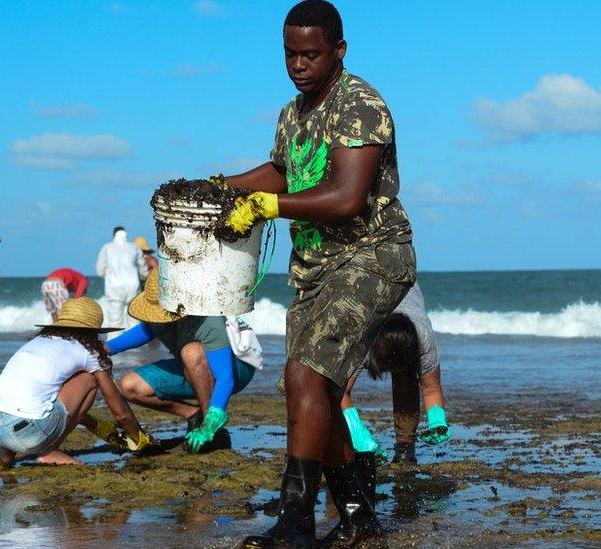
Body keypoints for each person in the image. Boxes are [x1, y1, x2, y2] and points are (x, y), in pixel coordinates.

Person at [218, 2, 417, 546]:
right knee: (318, 391)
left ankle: (296, 521)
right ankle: (357, 517)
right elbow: (280, 170)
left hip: (372, 257)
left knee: (304, 377)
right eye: (290, 54)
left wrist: (266, 206)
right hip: (315, 269)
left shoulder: (360, 104)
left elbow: (348, 197)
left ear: (339, 50)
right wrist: (221, 186)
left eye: (311, 54)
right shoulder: (293, 112)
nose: (299, 65)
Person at [0, 297, 156, 466]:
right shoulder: (89, 352)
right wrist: (137, 438)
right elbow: (120, 413)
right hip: (25, 432)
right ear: (94, 331)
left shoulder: (39, 341)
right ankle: (49, 451)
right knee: (90, 379)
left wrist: (94, 423)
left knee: (30, 394)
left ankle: (6, 455)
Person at [105, 271, 260, 453]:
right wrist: (106, 349)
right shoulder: (159, 314)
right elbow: (146, 331)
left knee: (191, 352)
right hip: (195, 367)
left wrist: (212, 422)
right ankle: (193, 415)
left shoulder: (209, 319)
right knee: (128, 386)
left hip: (237, 367)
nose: (158, 319)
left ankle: (213, 428)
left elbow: (225, 377)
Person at [341, 283, 450, 466]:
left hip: (405, 297)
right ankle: (345, 445)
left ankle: (405, 449)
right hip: (363, 292)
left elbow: (431, 388)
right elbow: (340, 391)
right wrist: (358, 433)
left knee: (406, 379)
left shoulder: (423, 338)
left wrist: (437, 421)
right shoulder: (362, 340)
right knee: (332, 385)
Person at [96, 226, 147, 329]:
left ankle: (114, 343)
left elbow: (100, 270)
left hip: (114, 286)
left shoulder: (107, 247)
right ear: (126, 236)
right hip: (133, 286)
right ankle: (134, 344)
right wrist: (142, 277)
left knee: (115, 321)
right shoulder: (134, 247)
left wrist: (109, 275)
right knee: (134, 319)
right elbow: (143, 270)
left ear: (114, 235)